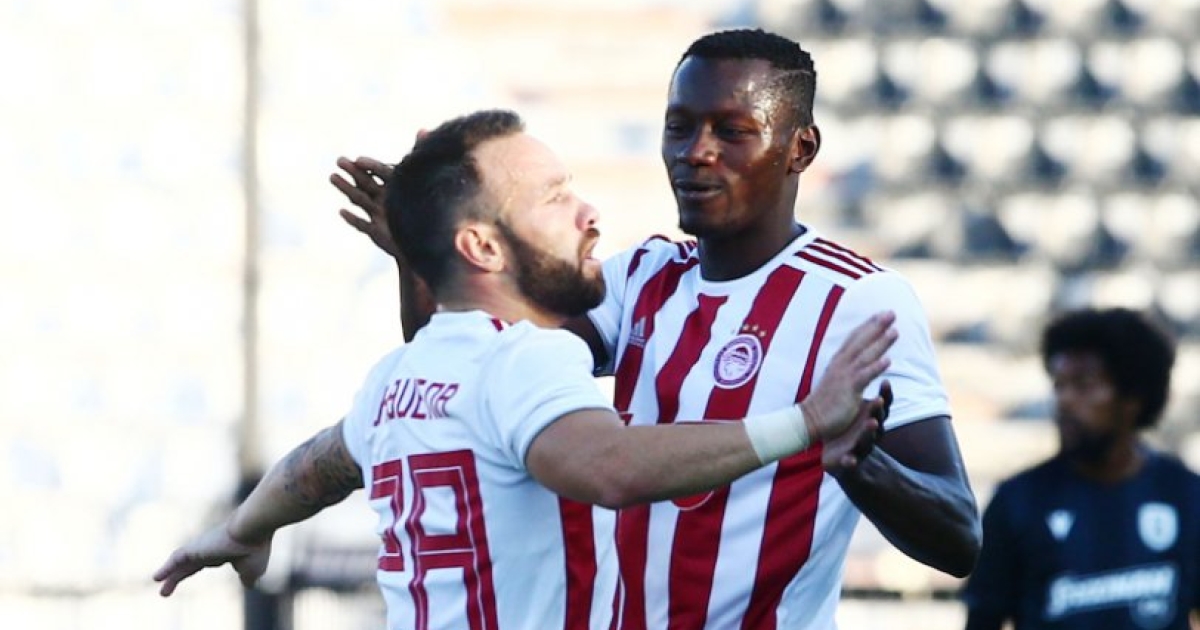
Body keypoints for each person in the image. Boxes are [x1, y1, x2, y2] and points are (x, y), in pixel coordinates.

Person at [333, 29, 982, 628]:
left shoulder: (858, 300)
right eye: (679, 126)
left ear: (799, 149)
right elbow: (468, 369)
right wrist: (425, 255)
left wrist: (862, 467)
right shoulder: (641, 276)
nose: (696, 152)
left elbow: (958, 537)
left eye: (732, 131)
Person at [155, 109, 901, 630]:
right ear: (482, 247)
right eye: (555, 197)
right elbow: (610, 468)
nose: (588, 213)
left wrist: (244, 526)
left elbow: (322, 464)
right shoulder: (526, 359)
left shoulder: (394, 380)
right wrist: (804, 421)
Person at [962, 307, 1200, 630]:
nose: (1065, 400)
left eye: (1083, 385)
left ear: (1132, 398)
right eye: (1059, 385)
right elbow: (983, 619)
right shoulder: (1017, 502)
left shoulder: (1186, 496)